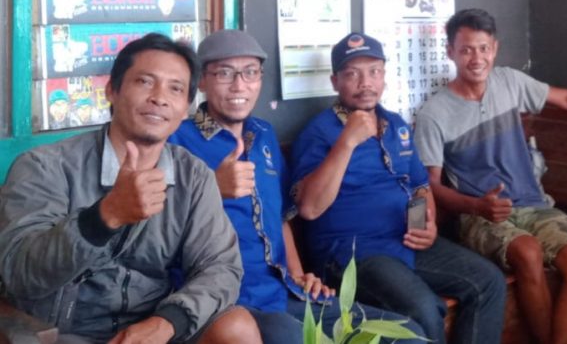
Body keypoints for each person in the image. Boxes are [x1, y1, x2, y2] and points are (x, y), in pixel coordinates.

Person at [414, 8, 567, 344]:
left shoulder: (509, 82)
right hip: (480, 216)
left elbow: (566, 99)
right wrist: (476, 206)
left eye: (484, 48)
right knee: (528, 252)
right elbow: (428, 185)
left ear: (495, 48)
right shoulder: (434, 113)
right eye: (466, 50)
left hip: (535, 205)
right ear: (450, 52)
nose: (477, 58)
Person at [0, 33, 259, 343]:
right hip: (64, 333)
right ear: (112, 90)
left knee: (237, 326)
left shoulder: (193, 176)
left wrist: (167, 322)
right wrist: (103, 216)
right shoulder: (44, 166)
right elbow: (19, 274)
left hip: (154, 329)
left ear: (185, 108)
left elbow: (221, 267)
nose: (160, 98)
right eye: (145, 82)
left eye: (175, 88)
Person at [168, 29, 423, 343]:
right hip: (225, 302)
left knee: (409, 335)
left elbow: (281, 217)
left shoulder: (262, 134)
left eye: (250, 73)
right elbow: (155, 228)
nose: (239, 85)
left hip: (281, 291)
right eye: (224, 73)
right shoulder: (176, 141)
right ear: (201, 81)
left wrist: (299, 274)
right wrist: (210, 187)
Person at [290, 33, 507, 344]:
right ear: (335, 81)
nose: (366, 82)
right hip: (353, 255)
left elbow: (419, 186)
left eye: (374, 71)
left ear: (384, 77)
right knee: (423, 309)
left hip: (405, 243)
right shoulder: (319, 132)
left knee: (489, 282)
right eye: (353, 74)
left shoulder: (395, 124)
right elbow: (309, 208)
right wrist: (347, 142)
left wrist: (425, 226)